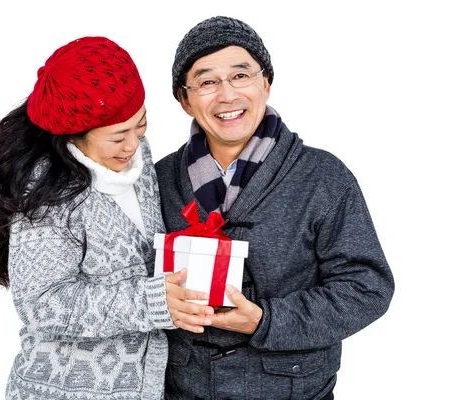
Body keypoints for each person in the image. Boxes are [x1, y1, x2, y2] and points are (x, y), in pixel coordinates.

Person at [155, 16, 395, 400]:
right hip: (185, 389)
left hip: (293, 389)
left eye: (240, 75)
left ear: (265, 83)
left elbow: (367, 288)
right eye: (207, 82)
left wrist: (266, 321)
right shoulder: (161, 178)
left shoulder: (323, 176)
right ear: (185, 100)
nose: (227, 95)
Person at [0, 36, 213, 400]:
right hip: (63, 390)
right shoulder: (48, 196)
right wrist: (151, 302)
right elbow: (41, 305)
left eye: (141, 124)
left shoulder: (136, 157)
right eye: (118, 136)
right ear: (75, 135)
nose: (133, 144)